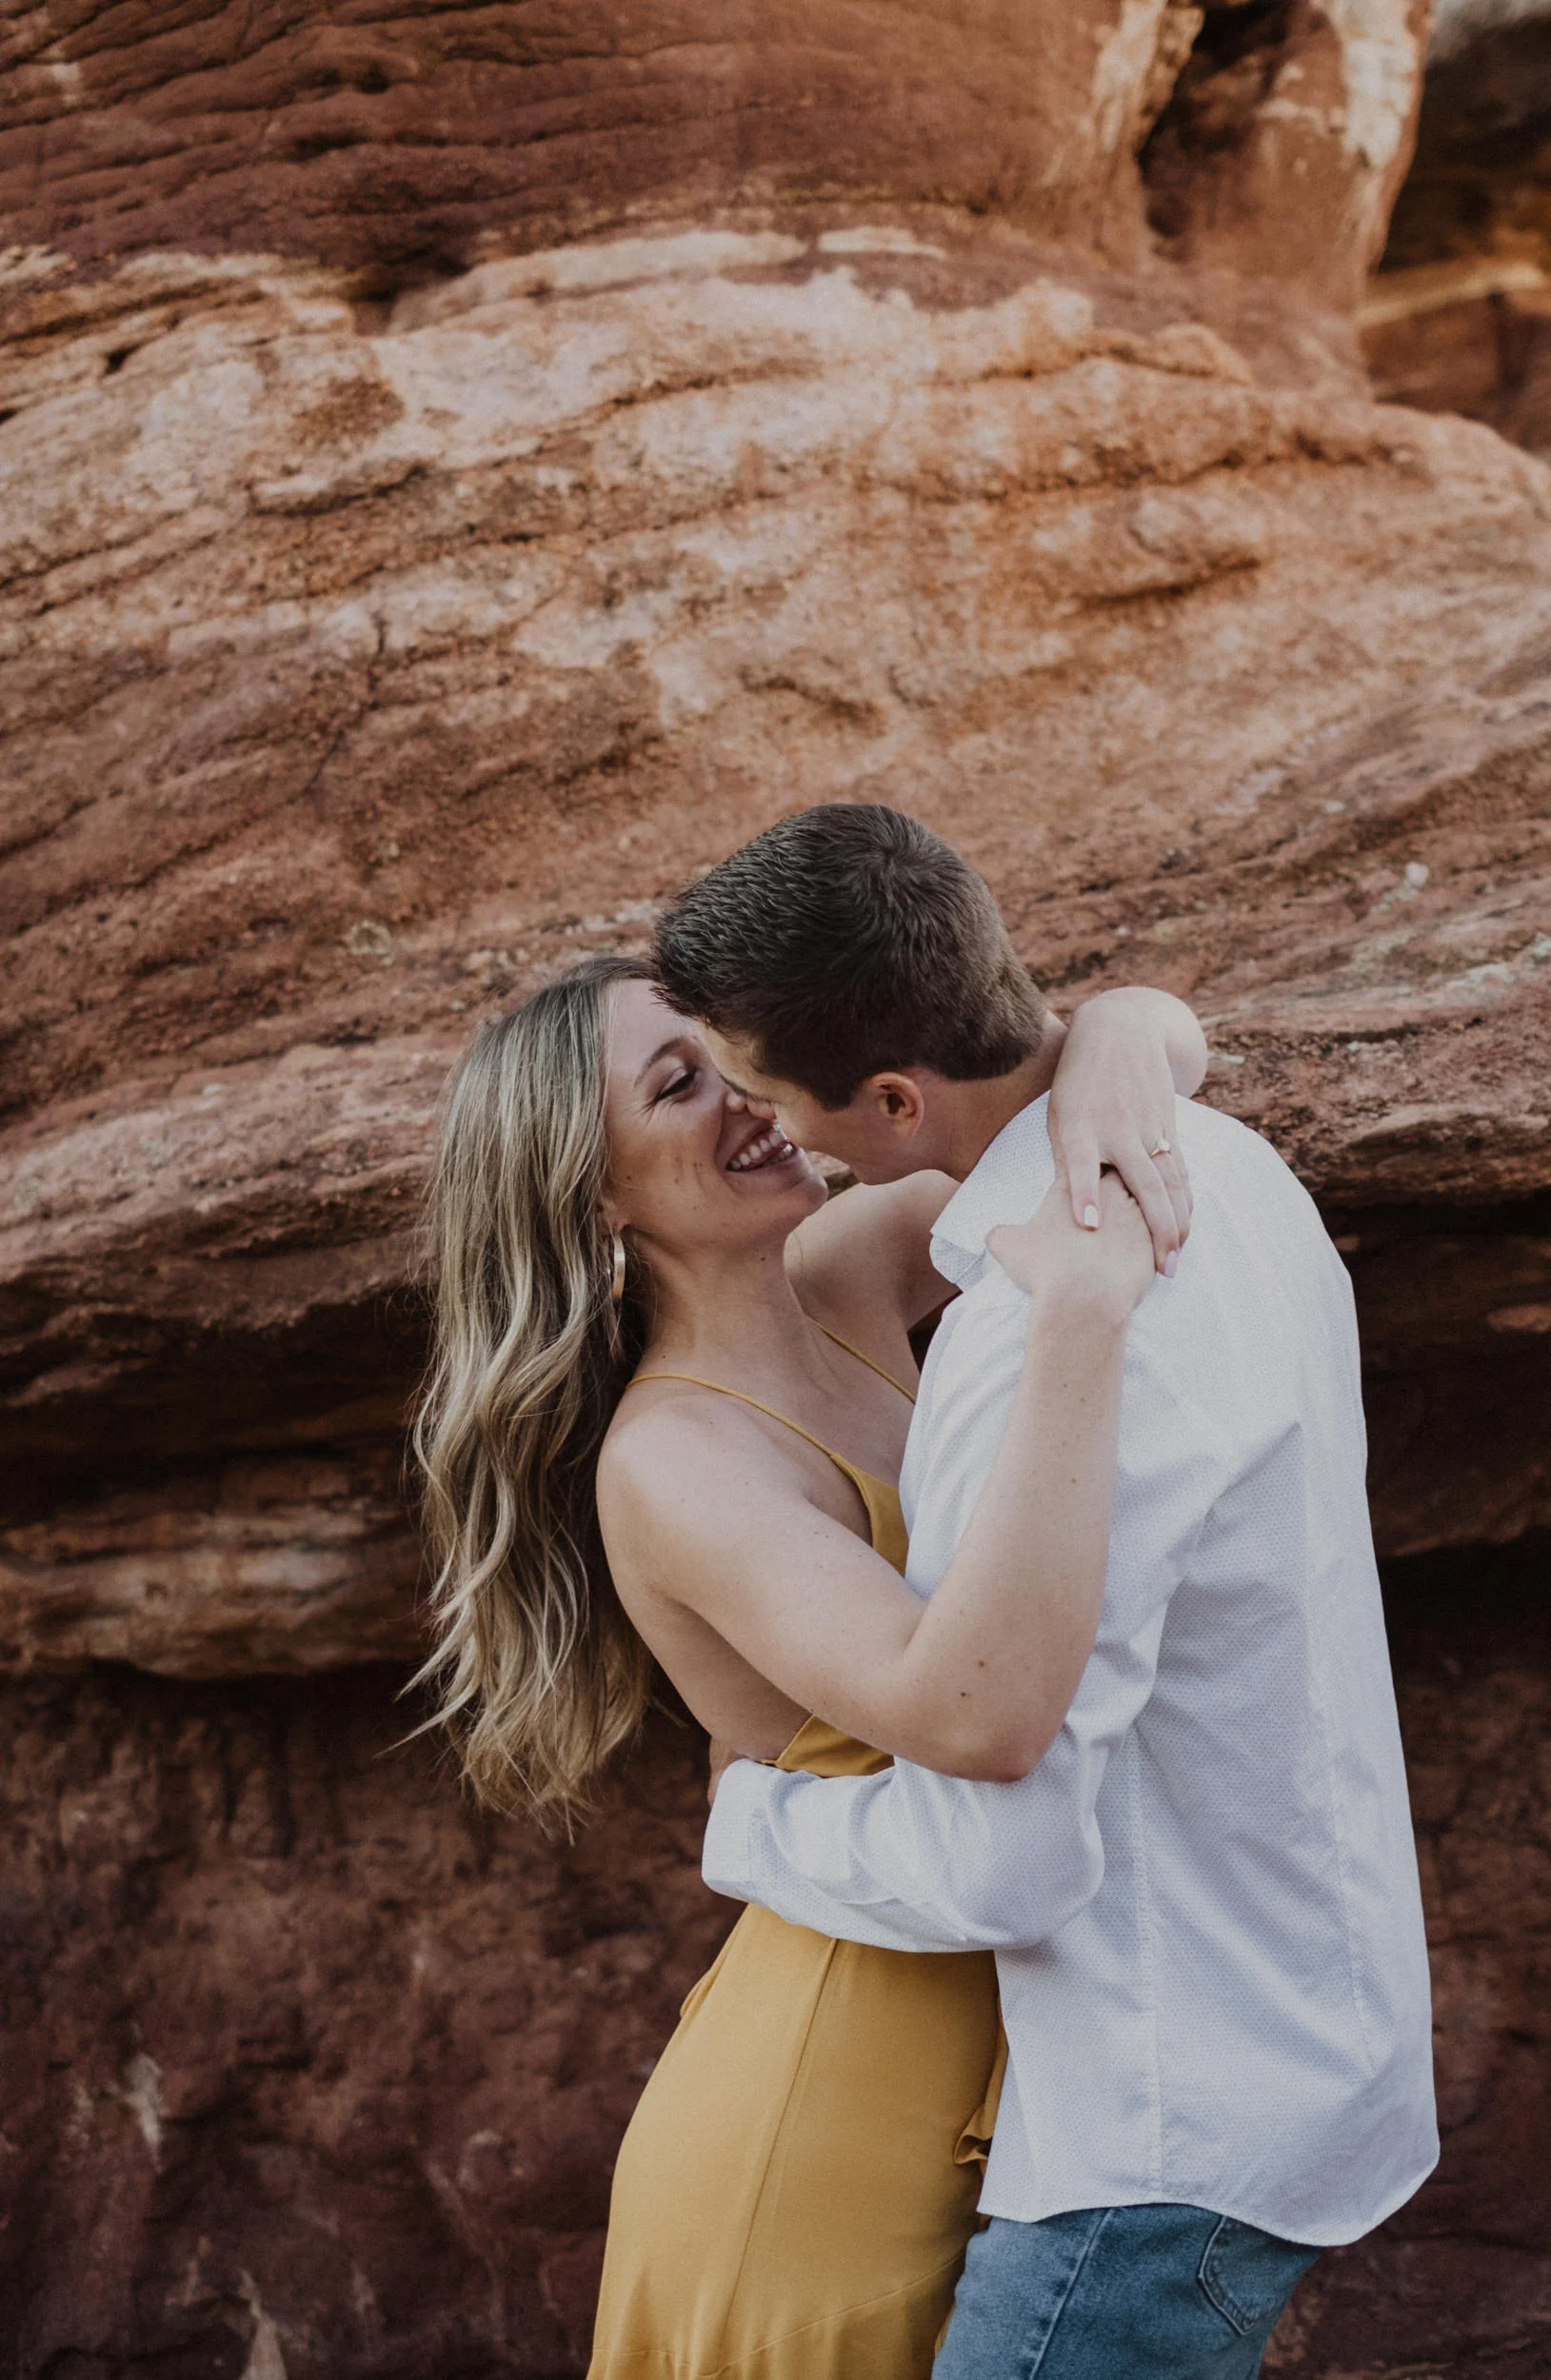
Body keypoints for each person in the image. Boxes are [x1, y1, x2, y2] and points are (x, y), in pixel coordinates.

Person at [652, 803, 1441, 2380]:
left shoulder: (1035, 1328)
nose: (759, 1125)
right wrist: (1130, 1029)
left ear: (889, 1098)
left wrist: (753, 1821)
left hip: (1156, 2124)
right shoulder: (1223, 1167)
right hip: (1298, 2030)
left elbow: (1005, 1839)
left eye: (760, 1088)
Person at [411, 943, 1208, 2376]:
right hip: (822, 2129)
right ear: (595, 1197)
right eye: (676, 1083)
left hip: (987, 2039)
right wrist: (1077, 1319)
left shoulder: (842, 1279)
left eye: (727, 1046)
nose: (745, 1093)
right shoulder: (672, 1458)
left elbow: (1102, 1076)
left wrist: (1107, 1041)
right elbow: (963, 1713)